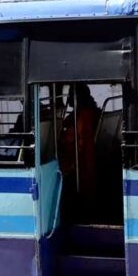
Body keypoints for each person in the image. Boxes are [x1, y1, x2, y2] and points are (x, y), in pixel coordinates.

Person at [58, 83, 99, 214]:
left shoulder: (82, 116)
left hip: (80, 161)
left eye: (70, 94)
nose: (68, 98)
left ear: (76, 97)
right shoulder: (92, 111)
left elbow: (73, 140)